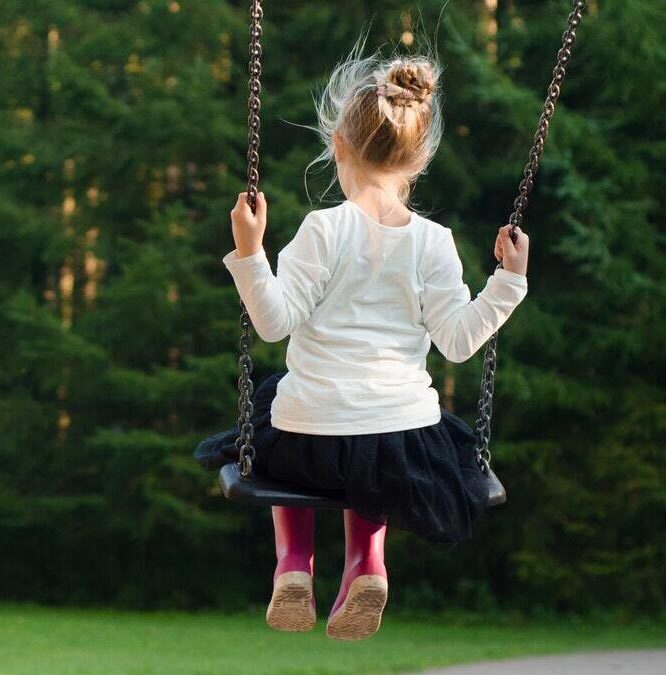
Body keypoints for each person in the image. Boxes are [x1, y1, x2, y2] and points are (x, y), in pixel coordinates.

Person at [195, 51, 529, 641]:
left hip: (308, 439)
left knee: (278, 410)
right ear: (419, 159)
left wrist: (249, 252)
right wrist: (508, 282)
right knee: (376, 453)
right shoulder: (434, 242)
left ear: (338, 146)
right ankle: (367, 565)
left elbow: (272, 323)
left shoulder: (322, 229)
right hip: (400, 441)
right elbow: (457, 342)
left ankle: (293, 565)